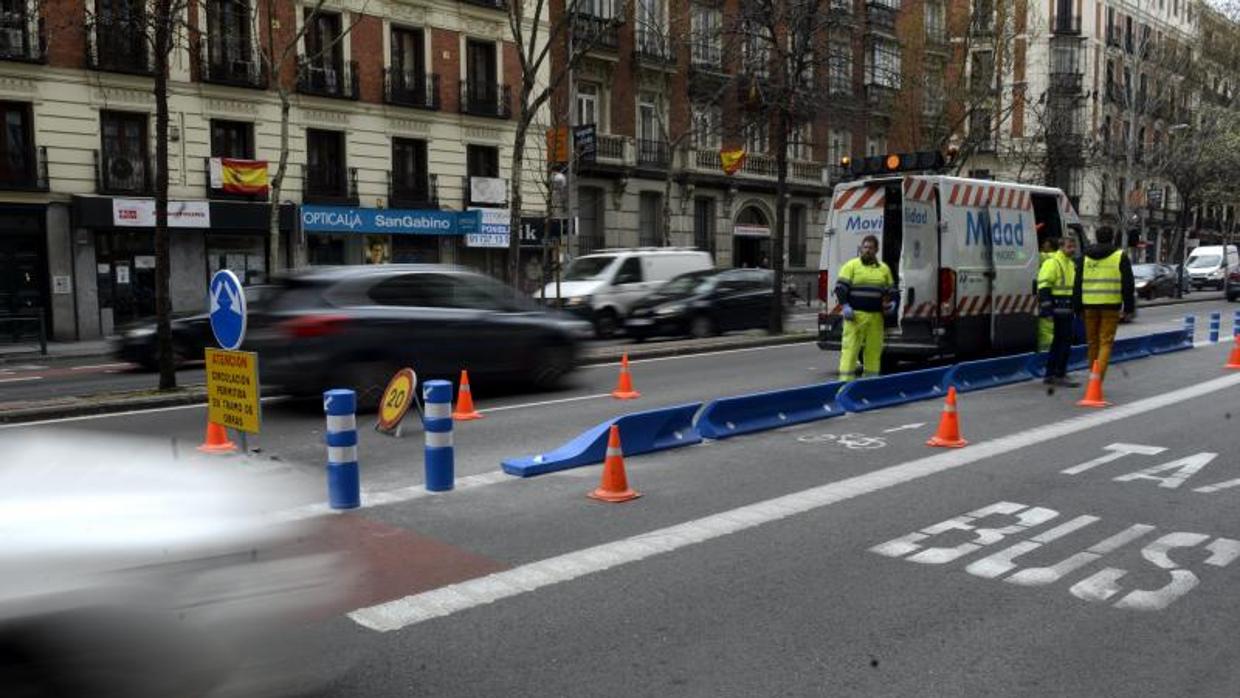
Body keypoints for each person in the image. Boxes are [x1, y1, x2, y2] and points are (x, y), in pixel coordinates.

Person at [1073, 226, 1135, 382]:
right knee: (1105, 342)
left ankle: (1092, 373)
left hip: (1089, 305)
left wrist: (1077, 306)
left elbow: (1077, 283)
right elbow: (1128, 284)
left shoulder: (1084, 257)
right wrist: (1129, 308)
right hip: (1110, 305)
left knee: (1092, 341)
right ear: (1113, 237)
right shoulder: (1120, 256)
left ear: (1096, 237)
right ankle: (1097, 379)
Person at [835, 235, 898, 381]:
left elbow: (892, 291)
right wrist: (845, 305)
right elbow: (840, 288)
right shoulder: (851, 266)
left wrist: (893, 303)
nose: (867, 250)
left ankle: (870, 385)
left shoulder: (883, 269)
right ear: (861, 249)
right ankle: (844, 386)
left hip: (876, 318)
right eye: (865, 247)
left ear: (876, 250)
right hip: (855, 317)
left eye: (870, 248)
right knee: (850, 351)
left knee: (873, 353)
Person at [1038, 235, 1079, 386]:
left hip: (1066, 309)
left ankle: (1052, 374)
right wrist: (1047, 309)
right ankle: (1058, 374)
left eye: (1073, 247)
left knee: (1060, 342)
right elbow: (1044, 286)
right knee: (1063, 342)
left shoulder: (1070, 264)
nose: (1072, 250)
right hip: (1057, 308)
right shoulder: (1053, 263)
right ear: (1061, 247)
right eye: (1069, 247)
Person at [1036, 237, 1059, 353]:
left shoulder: (1048, 257)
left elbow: (1024, 255)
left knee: (1046, 331)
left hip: (1048, 300)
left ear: (1050, 247)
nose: (1042, 246)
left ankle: (1046, 355)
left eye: (1044, 244)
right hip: (1060, 301)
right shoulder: (1062, 258)